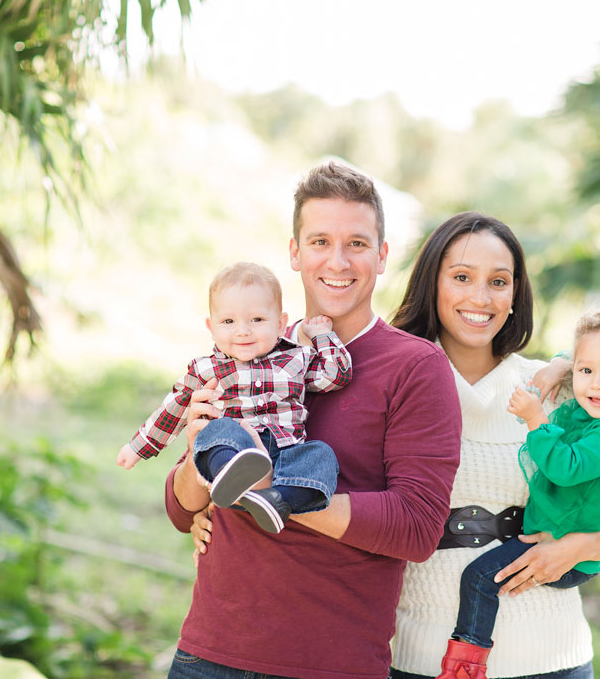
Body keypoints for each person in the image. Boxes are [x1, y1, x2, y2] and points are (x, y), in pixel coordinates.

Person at [165, 162, 462, 678]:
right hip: (209, 654)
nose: (338, 261)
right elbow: (179, 507)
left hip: (332, 664)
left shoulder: (415, 367)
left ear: (382, 255)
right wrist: (203, 463)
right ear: (295, 252)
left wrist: (264, 494)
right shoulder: (245, 348)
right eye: (320, 241)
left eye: (358, 243)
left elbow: (416, 528)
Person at [385, 212, 600, 679]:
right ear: (433, 283)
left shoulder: (555, 391)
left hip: (549, 655)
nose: (480, 296)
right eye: (462, 277)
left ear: (515, 295)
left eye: (498, 281)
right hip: (421, 656)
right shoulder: (396, 380)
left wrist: (574, 551)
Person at [433, 306, 600, 678]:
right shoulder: (597, 412)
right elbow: (583, 361)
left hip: (568, 554)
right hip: (556, 535)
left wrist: (535, 419)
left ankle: (464, 666)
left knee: (479, 579)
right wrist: (562, 363)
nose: (596, 384)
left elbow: (566, 466)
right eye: (586, 371)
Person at [117, 262, 352, 533]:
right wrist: (138, 447)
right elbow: (173, 410)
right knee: (217, 430)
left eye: (257, 320)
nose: (243, 331)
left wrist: (323, 336)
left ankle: (277, 501)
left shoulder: (296, 359)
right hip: (234, 447)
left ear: (281, 323)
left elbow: (336, 375)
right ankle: (232, 473)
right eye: (228, 322)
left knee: (321, 456)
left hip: (285, 454)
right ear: (211, 326)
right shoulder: (207, 369)